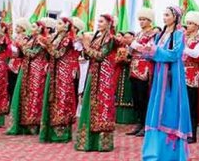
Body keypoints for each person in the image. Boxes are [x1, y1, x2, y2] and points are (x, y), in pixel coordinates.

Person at [134, 5, 192, 161]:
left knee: (170, 108)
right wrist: (146, 50)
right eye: (164, 15)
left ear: (175, 17)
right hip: (160, 75)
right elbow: (154, 54)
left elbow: (175, 54)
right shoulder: (160, 34)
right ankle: (155, 152)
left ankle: (171, 152)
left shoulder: (179, 34)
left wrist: (155, 51)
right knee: (157, 106)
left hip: (173, 76)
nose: (164, 18)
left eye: (167, 15)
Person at [75, 14, 118, 152]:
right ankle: (89, 141)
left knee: (102, 107)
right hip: (93, 74)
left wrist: (86, 45)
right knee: (90, 105)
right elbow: (89, 56)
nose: (98, 24)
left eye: (101, 21)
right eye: (98, 21)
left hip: (104, 75)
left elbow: (100, 56)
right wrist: (84, 47)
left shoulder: (110, 39)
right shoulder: (97, 37)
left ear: (109, 23)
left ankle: (101, 143)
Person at [6, 18, 52, 135]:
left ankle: (34, 124)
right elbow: (21, 54)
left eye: (34, 27)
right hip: (27, 69)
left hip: (37, 71)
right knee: (25, 94)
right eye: (31, 26)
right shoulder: (30, 38)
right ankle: (24, 123)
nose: (31, 28)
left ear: (40, 28)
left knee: (35, 95)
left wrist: (22, 46)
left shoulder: (41, 39)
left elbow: (32, 54)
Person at [39, 16, 79, 143]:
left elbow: (58, 54)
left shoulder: (68, 39)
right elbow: (50, 54)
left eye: (60, 23)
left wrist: (46, 45)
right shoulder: (56, 37)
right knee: (52, 99)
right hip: (54, 71)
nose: (57, 25)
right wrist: (46, 46)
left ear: (66, 26)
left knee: (62, 100)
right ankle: (49, 132)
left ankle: (61, 134)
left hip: (63, 72)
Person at [128, 7, 156, 136]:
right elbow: (132, 49)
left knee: (143, 97)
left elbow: (149, 50)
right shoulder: (138, 34)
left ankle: (145, 124)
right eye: (140, 19)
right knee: (135, 98)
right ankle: (139, 123)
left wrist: (134, 44)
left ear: (150, 21)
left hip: (144, 67)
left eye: (144, 19)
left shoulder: (153, 34)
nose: (141, 22)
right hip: (134, 66)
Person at [183, 11, 199, 143]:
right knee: (182, 104)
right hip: (181, 72)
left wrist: (182, 47)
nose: (187, 25)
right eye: (187, 23)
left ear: (197, 25)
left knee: (191, 105)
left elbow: (195, 54)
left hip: (193, 74)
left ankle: (192, 134)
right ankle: (183, 131)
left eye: (190, 23)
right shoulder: (184, 38)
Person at [114, 31, 137, 125]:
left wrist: (127, 60)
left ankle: (129, 118)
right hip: (120, 71)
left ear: (133, 38)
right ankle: (118, 117)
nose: (126, 39)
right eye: (125, 37)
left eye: (128, 37)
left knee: (128, 92)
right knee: (119, 92)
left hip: (130, 72)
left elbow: (134, 59)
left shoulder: (134, 48)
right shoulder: (120, 48)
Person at [7, 18, 30, 102]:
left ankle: (14, 103)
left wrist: (18, 44)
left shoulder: (25, 38)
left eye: (18, 26)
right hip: (11, 62)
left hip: (18, 64)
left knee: (14, 84)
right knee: (9, 84)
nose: (16, 28)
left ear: (23, 28)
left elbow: (23, 51)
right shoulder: (15, 37)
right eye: (16, 26)